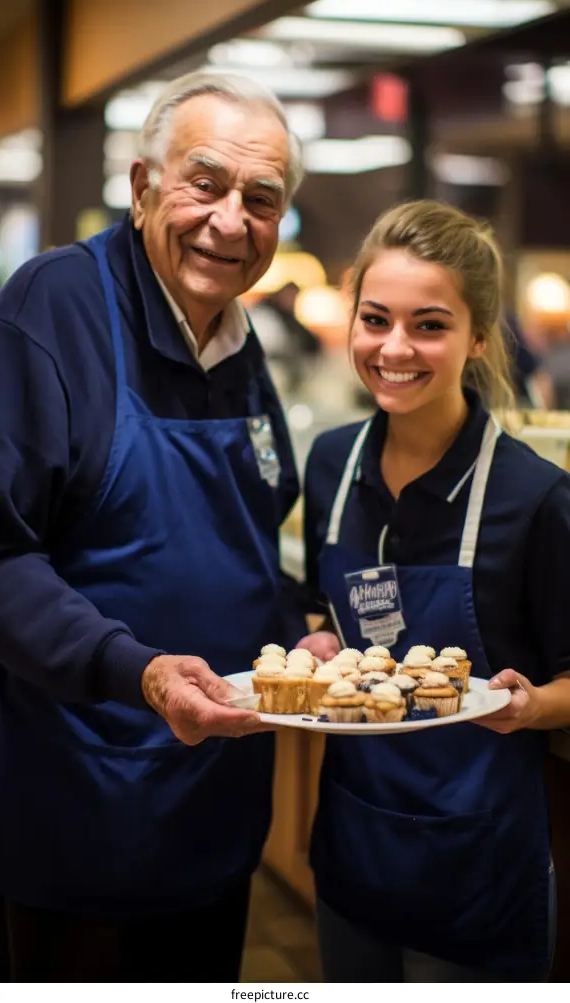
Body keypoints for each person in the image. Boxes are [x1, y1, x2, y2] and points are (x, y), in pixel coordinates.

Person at [0, 72, 304, 982]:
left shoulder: (241, 341)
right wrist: (144, 672)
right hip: (78, 799)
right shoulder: (51, 310)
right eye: (206, 182)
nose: (231, 220)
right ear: (141, 184)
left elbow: (249, 532)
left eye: (262, 199)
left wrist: (301, 628)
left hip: (215, 801)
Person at [297, 200, 570, 983]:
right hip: (352, 845)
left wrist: (532, 704)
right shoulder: (331, 465)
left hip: (477, 868)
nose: (394, 348)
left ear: (478, 337)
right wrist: (323, 639)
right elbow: (339, 615)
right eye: (375, 318)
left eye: (430, 324)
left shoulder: (535, 496)